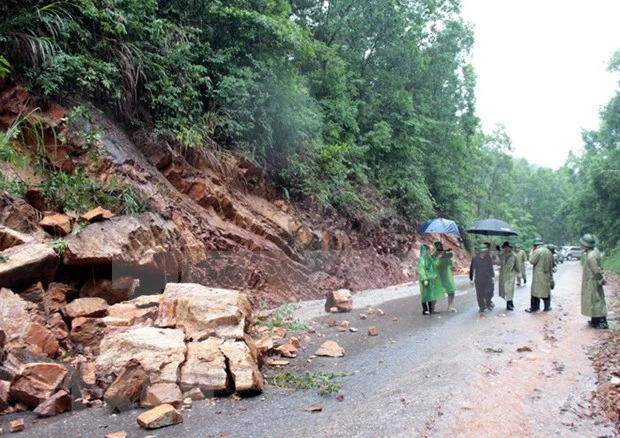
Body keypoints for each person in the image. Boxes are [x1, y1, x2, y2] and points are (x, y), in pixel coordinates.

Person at [579, 234, 608, 329]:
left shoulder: (590, 256)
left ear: (586, 245)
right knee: (593, 300)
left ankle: (602, 321)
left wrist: (601, 279)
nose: (581, 246)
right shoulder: (594, 251)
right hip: (591, 280)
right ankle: (595, 320)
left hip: (593, 281)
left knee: (596, 300)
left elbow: (596, 270)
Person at [525, 238, 554, 313]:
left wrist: (531, 253)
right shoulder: (548, 251)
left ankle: (534, 308)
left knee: (535, 292)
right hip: (547, 274)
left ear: (535, 245)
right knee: (545, 292)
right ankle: (547, 307)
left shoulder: (538, 251)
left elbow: (532, 261)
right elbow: (552, 264)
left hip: (538, 275)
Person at [417, 244, 445, 315]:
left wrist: (438, 258)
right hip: (426, 279)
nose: (430, 251)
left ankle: (431, 309)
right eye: (429, 249)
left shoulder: (429, 258)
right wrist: (424, 279)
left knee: (431, 294)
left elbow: (435, 265)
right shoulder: (422, 259)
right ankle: (425, 309)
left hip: (432, 279)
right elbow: (421, 270)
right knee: (425, 295)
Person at [469, 245, 495, 313]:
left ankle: (488, 304)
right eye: (483, 252)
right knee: (480, 293)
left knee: (489, 292)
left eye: (485, 252)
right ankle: (481, 306)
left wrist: (493, 276)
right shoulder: (475, 259)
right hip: (479, 278)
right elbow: (472, 269)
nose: (484, 253)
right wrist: (471, 278)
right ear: (480, 252)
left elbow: (491, 268)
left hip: (488, 278)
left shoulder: (488, 258)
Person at [433, 241, 457, 312]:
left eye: (440, 245)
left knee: (451, 292)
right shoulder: (433, 256)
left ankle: (449, 307)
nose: (439, 247)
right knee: (435, 293)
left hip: (446, 277)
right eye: (438, 246)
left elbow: (452, 264)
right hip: (437, 278)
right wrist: (439, 258)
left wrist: (447, 256)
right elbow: (434, 265)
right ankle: (432, 308)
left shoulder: (445, 255)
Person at [498, 242, 519, 310]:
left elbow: (517, 266)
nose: (506, 249)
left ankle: (508, 304)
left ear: (510, 248)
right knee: (505, 290)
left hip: (510, 275)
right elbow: (497, 261)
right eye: (505, 248)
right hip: (503, 275)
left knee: (509, 290)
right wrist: (498, 251)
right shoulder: (502, 255)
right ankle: (510, 301)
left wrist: (519, 273)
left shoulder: (514, 256)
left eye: (508, 247)